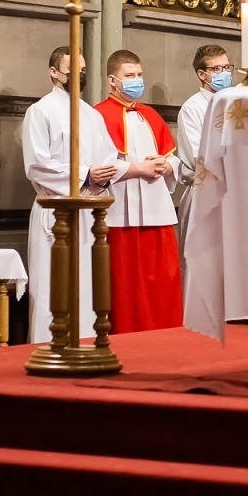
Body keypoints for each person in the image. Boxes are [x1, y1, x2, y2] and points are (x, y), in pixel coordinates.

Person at [22, 47, 130, 344]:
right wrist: (85, 174)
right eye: (73, 71)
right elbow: (37, 166)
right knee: (51, 286)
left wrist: (107, 174)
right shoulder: (40, 111)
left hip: (88, 209)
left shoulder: (91, 114)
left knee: (85, 285)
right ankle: (49, 347)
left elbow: (108, 158)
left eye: (83, 71)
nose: (79, 77)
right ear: (54, 72)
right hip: (54, 210)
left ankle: (85, 343)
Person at [94, 50, 183, 333]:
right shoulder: (97, 115)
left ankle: (167, 333)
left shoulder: (150, 114)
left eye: (139, 75)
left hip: (156, 209)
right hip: (120, 211)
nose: (136, 81)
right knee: (125, 282)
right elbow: (97, 166)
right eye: (129, 76)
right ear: (112, 80)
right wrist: (136, 169)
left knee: (163, 279)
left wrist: (167, 167)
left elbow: (172, 156)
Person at [176, 44, 235, 250]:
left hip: (236, 193)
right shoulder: (192, 108)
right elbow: (197, 157)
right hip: (205, 192)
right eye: (217, 69)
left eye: (227, 68)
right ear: (202, 74)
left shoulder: (238, 104)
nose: (225, 74)